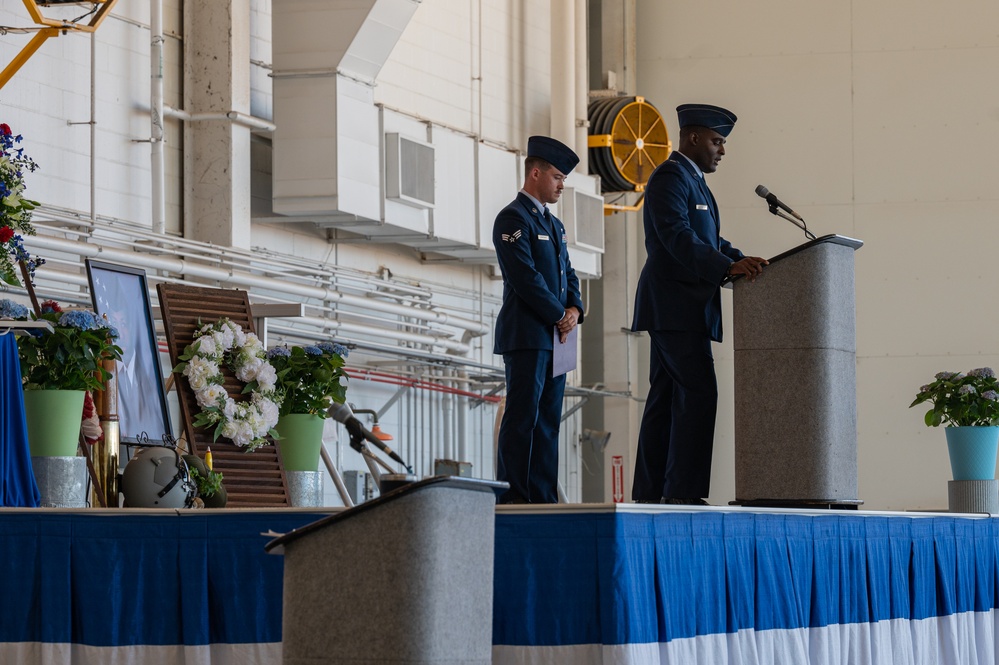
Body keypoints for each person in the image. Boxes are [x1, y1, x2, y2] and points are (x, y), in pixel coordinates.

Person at [631, 104, 768, 505]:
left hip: (684, 308)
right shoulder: (671, 178)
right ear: (693, 138)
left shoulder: (693, 182)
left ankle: (653, 493)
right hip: (674, 306)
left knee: (666, 400)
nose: (721, 151)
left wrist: (742, 259)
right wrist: (727, 267)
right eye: (716, 141)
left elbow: (708, 241)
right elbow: (676, 236)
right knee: (699, 394)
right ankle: (684, 495)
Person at [493, 136, 585, 504]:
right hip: (529, 337)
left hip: (557, 338)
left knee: (548, 423)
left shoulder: (556, 226)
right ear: (536, 173)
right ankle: (515, 497)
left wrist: (575, 309)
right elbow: (524, 277)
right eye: (558, 177)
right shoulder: (513, 218)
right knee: (522, 420)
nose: (562, 185)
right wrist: (559, 314)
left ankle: (544, 497)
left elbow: (568, 274)